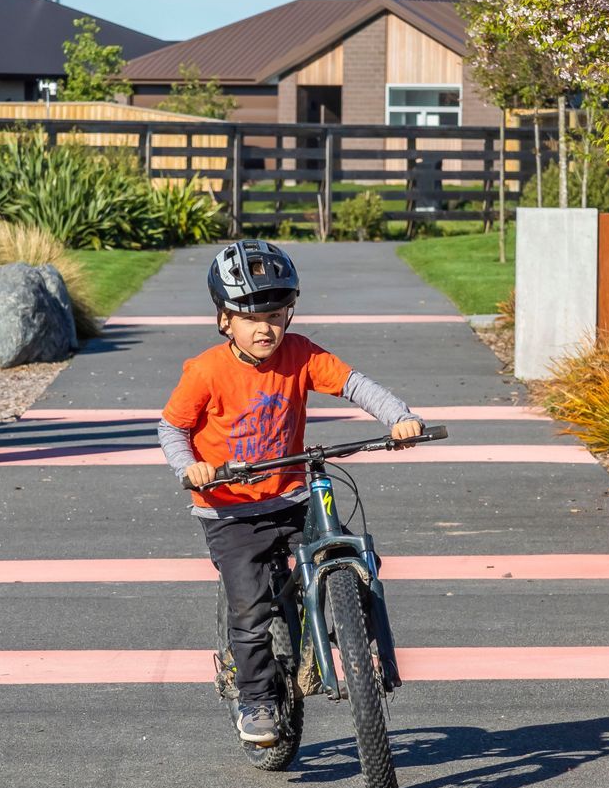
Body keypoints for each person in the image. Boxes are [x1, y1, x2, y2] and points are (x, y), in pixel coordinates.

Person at [158, 240, 424, 744]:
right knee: (251, 607)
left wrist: (399, 417)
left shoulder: (300, 353)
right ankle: (256, 698)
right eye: (250, 317)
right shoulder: (206, 371)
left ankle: (354, 635)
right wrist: (190, 467)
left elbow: (354, 384)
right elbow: (171, 428)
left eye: (277, 315)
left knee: (353, 557)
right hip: (231, 511)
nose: (266, 328)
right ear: (224, 321)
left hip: (292, 495)